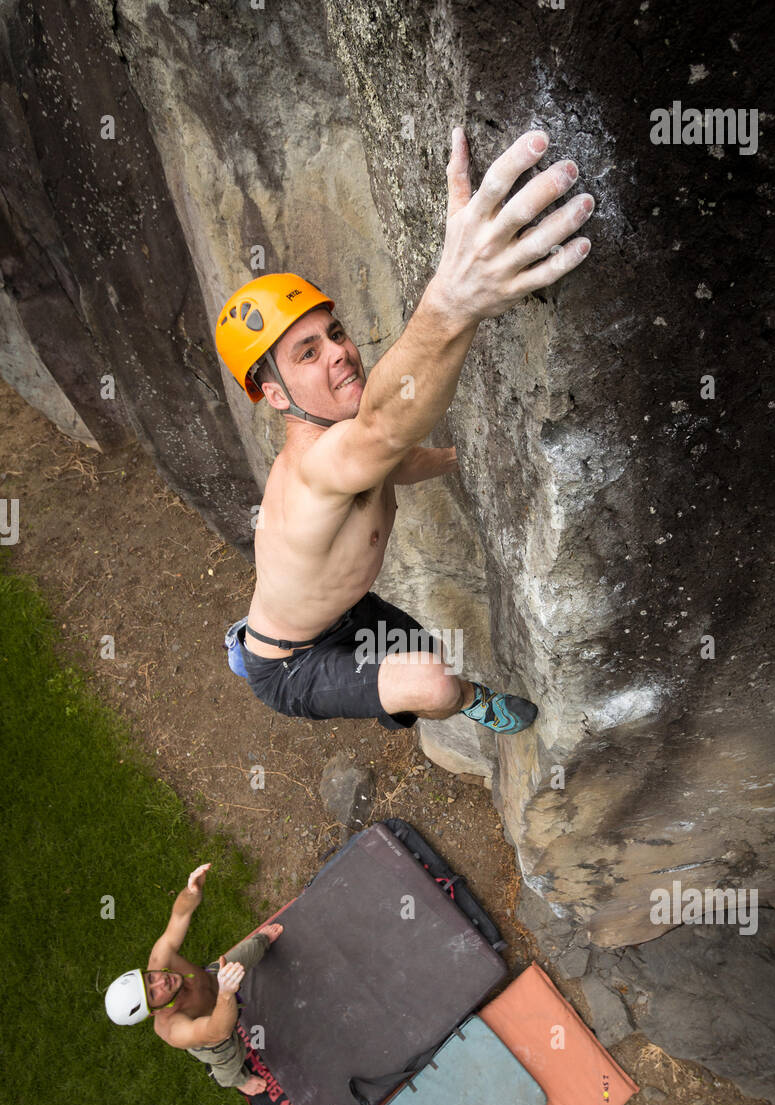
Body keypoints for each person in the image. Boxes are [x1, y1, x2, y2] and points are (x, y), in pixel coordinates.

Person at [216, 125, 593, 734]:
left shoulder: (351, 451)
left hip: (346, 611)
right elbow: (382, 432)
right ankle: (474, 701)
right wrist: (454, 299)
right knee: (433, 682)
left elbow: (397, 458)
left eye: (334, 335)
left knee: (425, 650)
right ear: (277, 397)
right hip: (290, 663)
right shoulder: (317, 465)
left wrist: (461, 457)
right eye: (306, 354)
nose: (339, 353)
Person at [104, 864, 304, 1105]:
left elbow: (180, 914)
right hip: (217, 1038)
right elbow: (217, 1030)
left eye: (149, 979)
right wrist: (225, 994)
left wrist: (190, 890)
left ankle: (261, 942)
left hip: (214, 977)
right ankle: (241, 1082)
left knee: (249, 950)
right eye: (153, 993)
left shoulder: (160, 961)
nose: (160, 981)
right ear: (152, 1012)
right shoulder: (173, 1030)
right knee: (230, 1065)